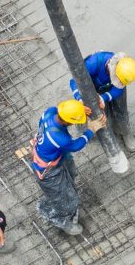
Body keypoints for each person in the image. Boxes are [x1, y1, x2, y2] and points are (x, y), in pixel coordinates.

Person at [29, 99, 100, 236]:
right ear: (68, 121)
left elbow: (64, 110)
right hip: (49, 172)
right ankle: (59, 218)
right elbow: (76, 146)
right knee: (67, 199)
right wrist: (91, 130)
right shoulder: (59, 137)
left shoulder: (50, 112)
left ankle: (65, 199)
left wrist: (79, 110)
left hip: (57, 156)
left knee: (71, 174)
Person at [73, 50, 135, 152]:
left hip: (110, 88)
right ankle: (91, 130)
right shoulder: (93, 63)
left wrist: (104, 97)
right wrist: (80, 98)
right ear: (113, 69)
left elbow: (118, 88)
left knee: (121, 109)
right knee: (95, 113)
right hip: (93, 88)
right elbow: (74, 81)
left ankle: (124, 131)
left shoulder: (124, 72)